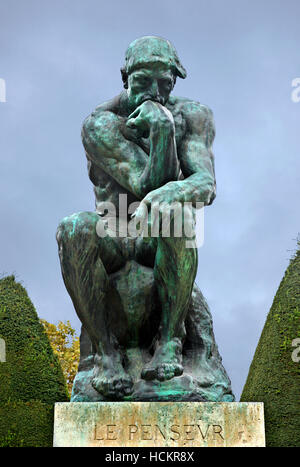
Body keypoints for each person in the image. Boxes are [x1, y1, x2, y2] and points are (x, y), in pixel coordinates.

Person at [57, 36, 216, 399]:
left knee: (176, 217)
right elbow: (144, 183)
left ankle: (170, 342)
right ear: (124, 76)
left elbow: (205, 183)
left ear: (175, 80)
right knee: (73, 227)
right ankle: (106, 355)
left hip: (154, 236)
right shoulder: (100, 124)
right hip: (113, 233)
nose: (155, 92)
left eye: (165, 83)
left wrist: (169, 193)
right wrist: (161, 129)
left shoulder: (194, 116)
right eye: (143, 81)